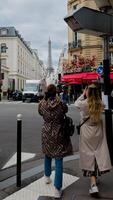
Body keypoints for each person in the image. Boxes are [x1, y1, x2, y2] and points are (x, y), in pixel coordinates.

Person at [75, 84, 112, 196]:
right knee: (97, 154)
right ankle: (94, 178)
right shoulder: (100, 104)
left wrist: (83, 94)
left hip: (87, 133)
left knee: (89, 156)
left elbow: (76, 103)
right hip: (98, 132)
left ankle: (93, 184)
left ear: (88, 92)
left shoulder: (84, 103)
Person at [38, 84, 73, 198]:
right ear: (56, 92)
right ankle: (57, 189)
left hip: (47, 132)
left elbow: (40, 112)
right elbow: (66, 110)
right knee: (58, 159)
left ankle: (47, 177)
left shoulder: (42, 103)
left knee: (47, 154)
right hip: (58, 132)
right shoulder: (60, 103)